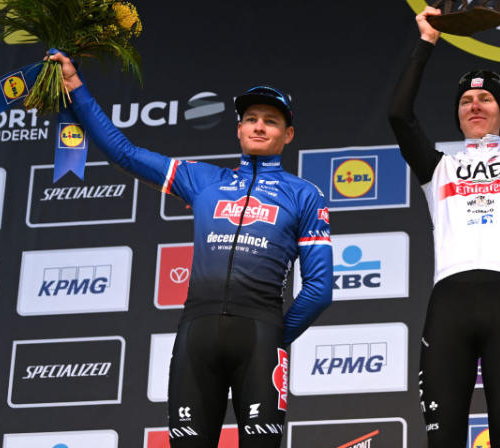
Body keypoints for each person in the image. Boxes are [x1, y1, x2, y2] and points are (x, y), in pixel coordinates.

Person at [48, 51, 332, 447]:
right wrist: (75, 86)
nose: (259, 127)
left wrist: (276, 335)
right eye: (251, 119)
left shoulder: (305, 194)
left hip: (260, 337)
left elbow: (320, 288)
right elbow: (124, 153)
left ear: (288, 135)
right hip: (196, 335)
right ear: (238, 129)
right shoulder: (202, 179)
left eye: (271, 121)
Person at [388, 0, 500, 447]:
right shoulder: (438, 168)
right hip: (448, 308)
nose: (475, 105)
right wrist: (427, 40)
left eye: (485, 98)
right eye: (465, 100)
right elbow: (400, 115)